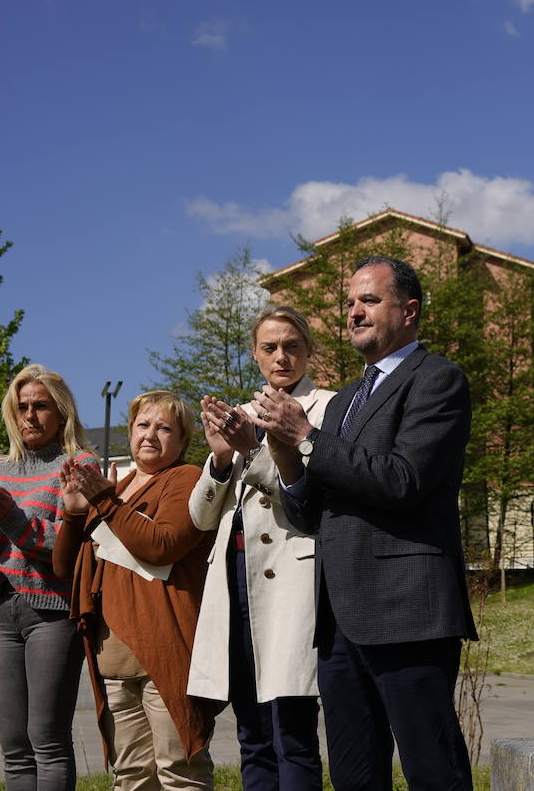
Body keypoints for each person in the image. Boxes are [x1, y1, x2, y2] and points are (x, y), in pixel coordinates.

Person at [259, 256, 477, 791]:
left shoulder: (437, 380)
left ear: (409, 311)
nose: (354, 312)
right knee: (355, 774)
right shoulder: (346, 402)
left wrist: (307, 438)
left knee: (432, 768)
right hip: (339, 619)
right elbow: (312, 512)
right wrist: (286, 454)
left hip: (408, 609)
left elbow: (402, 480)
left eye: (370, 301)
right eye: (351, 303)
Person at [188, 305, 336, 791]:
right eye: (270, 348)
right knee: (250, 734)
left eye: (292, 346)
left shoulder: (330, 409)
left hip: (292, 585)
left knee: (292, 731)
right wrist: (220, 456)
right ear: (254, 355)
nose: (281, 357)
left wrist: (252, 450)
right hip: (234, 583)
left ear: (309, 352)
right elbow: (201, 517)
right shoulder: (240, 416)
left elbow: (310, 493)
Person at [52, 390, 216, 791]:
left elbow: (162, 544)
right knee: (131, 778)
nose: (151, 435)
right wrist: (74, 514)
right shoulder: (115, 486)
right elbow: (63, 568)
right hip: (113, 657)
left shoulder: (186, 478)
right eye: (143, 425)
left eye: (165, 428)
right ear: (129, 433)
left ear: (182, 440)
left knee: (180, 773)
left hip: (166, 651)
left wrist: (104, 502)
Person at [0, 364, 94, 791]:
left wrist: (12, 519)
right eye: (22, 407)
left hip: (52, 614)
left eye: (40, 406)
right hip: (0, 613)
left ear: (61, 411)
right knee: (14, 747)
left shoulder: (79, 465)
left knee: (47, 741)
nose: (29, 416)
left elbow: (69, 550)